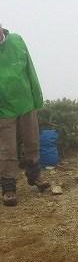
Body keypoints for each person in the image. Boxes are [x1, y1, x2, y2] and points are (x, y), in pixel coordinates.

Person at [0, 24, 50, 206]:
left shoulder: (17, 40)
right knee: (7, 149)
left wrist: (37, 97)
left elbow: (30, 68)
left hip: (26, 102)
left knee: (32, 141)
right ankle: (8, 188)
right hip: (3, 108)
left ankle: (34, 176)